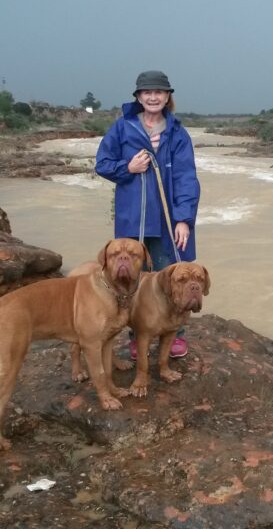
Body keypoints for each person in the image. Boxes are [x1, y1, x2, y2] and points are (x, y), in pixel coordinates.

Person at [95, 70, 200, 359]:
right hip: (133, 221)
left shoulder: (178, 133)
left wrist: (183, 220)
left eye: (159, 92)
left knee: (171, 278)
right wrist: (127, 168)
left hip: (167, 223)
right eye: (147, 92)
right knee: (131, 281)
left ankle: (174, 335)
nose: (153, 97)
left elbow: (186, 178)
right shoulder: (122, 128)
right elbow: (102, 163)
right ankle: (136, 335)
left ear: (168, 97)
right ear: (139, 97)